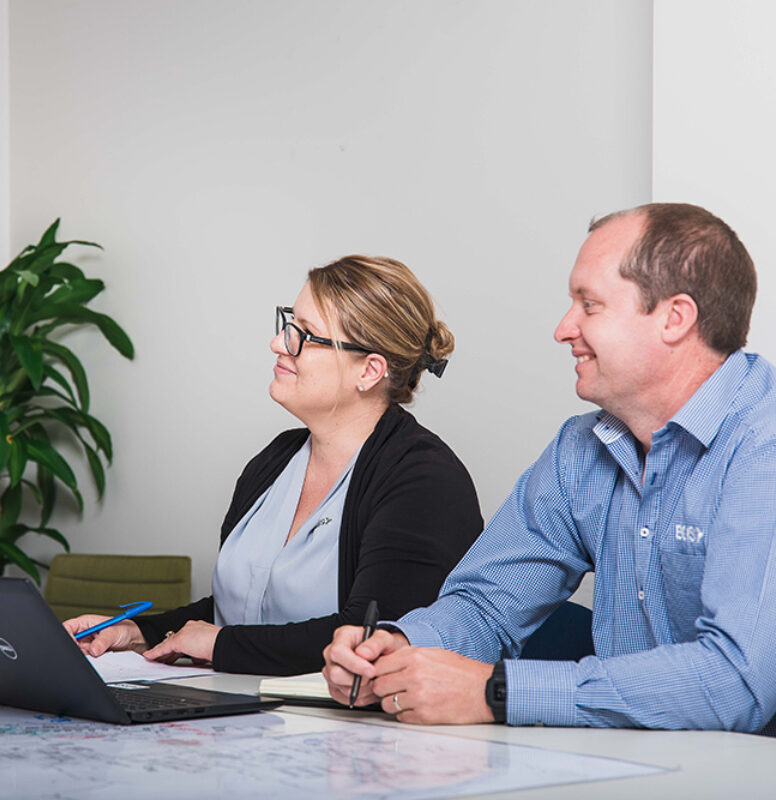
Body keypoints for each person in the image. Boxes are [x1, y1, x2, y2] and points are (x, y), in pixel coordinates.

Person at [324, 203, 776, 733]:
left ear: (675, 318)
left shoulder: (761, 445)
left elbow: (737, 682)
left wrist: (497, 693)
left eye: (590, 304)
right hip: (630, 768)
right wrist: (395, 650)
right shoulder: (581, 448)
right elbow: (486, 606)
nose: (564, 329)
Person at [65, 255, 483, 675]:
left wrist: (223, 645)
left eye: (307, 335)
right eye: (290, 323)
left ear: (369, 370)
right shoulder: (276, 459)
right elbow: (246, 612)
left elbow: (372, 638)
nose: (280, 343)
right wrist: (140, 633)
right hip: (239, 715)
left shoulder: (426, 482)